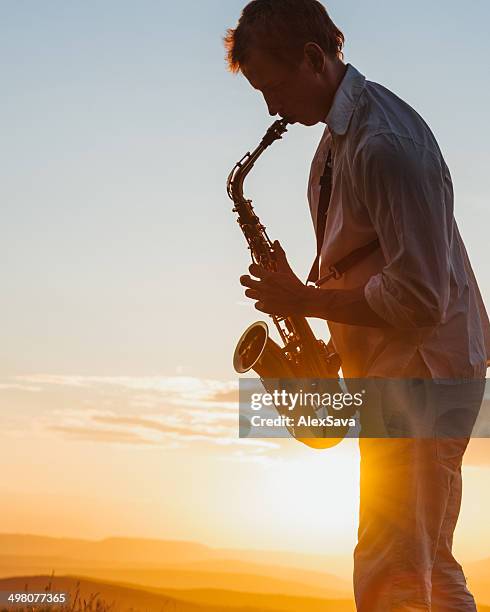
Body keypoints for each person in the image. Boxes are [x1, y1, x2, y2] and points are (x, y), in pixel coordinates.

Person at [224, 1, 490, 611]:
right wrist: (304, 290)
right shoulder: (338, 144)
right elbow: (368, 258)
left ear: (315, 59)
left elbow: (420, 299)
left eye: (274, 86)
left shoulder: (385, 146)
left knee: (389, 568)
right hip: (401, 375)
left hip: (424, 373)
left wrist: (307, 301)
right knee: (425, 561)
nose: (271, 108)